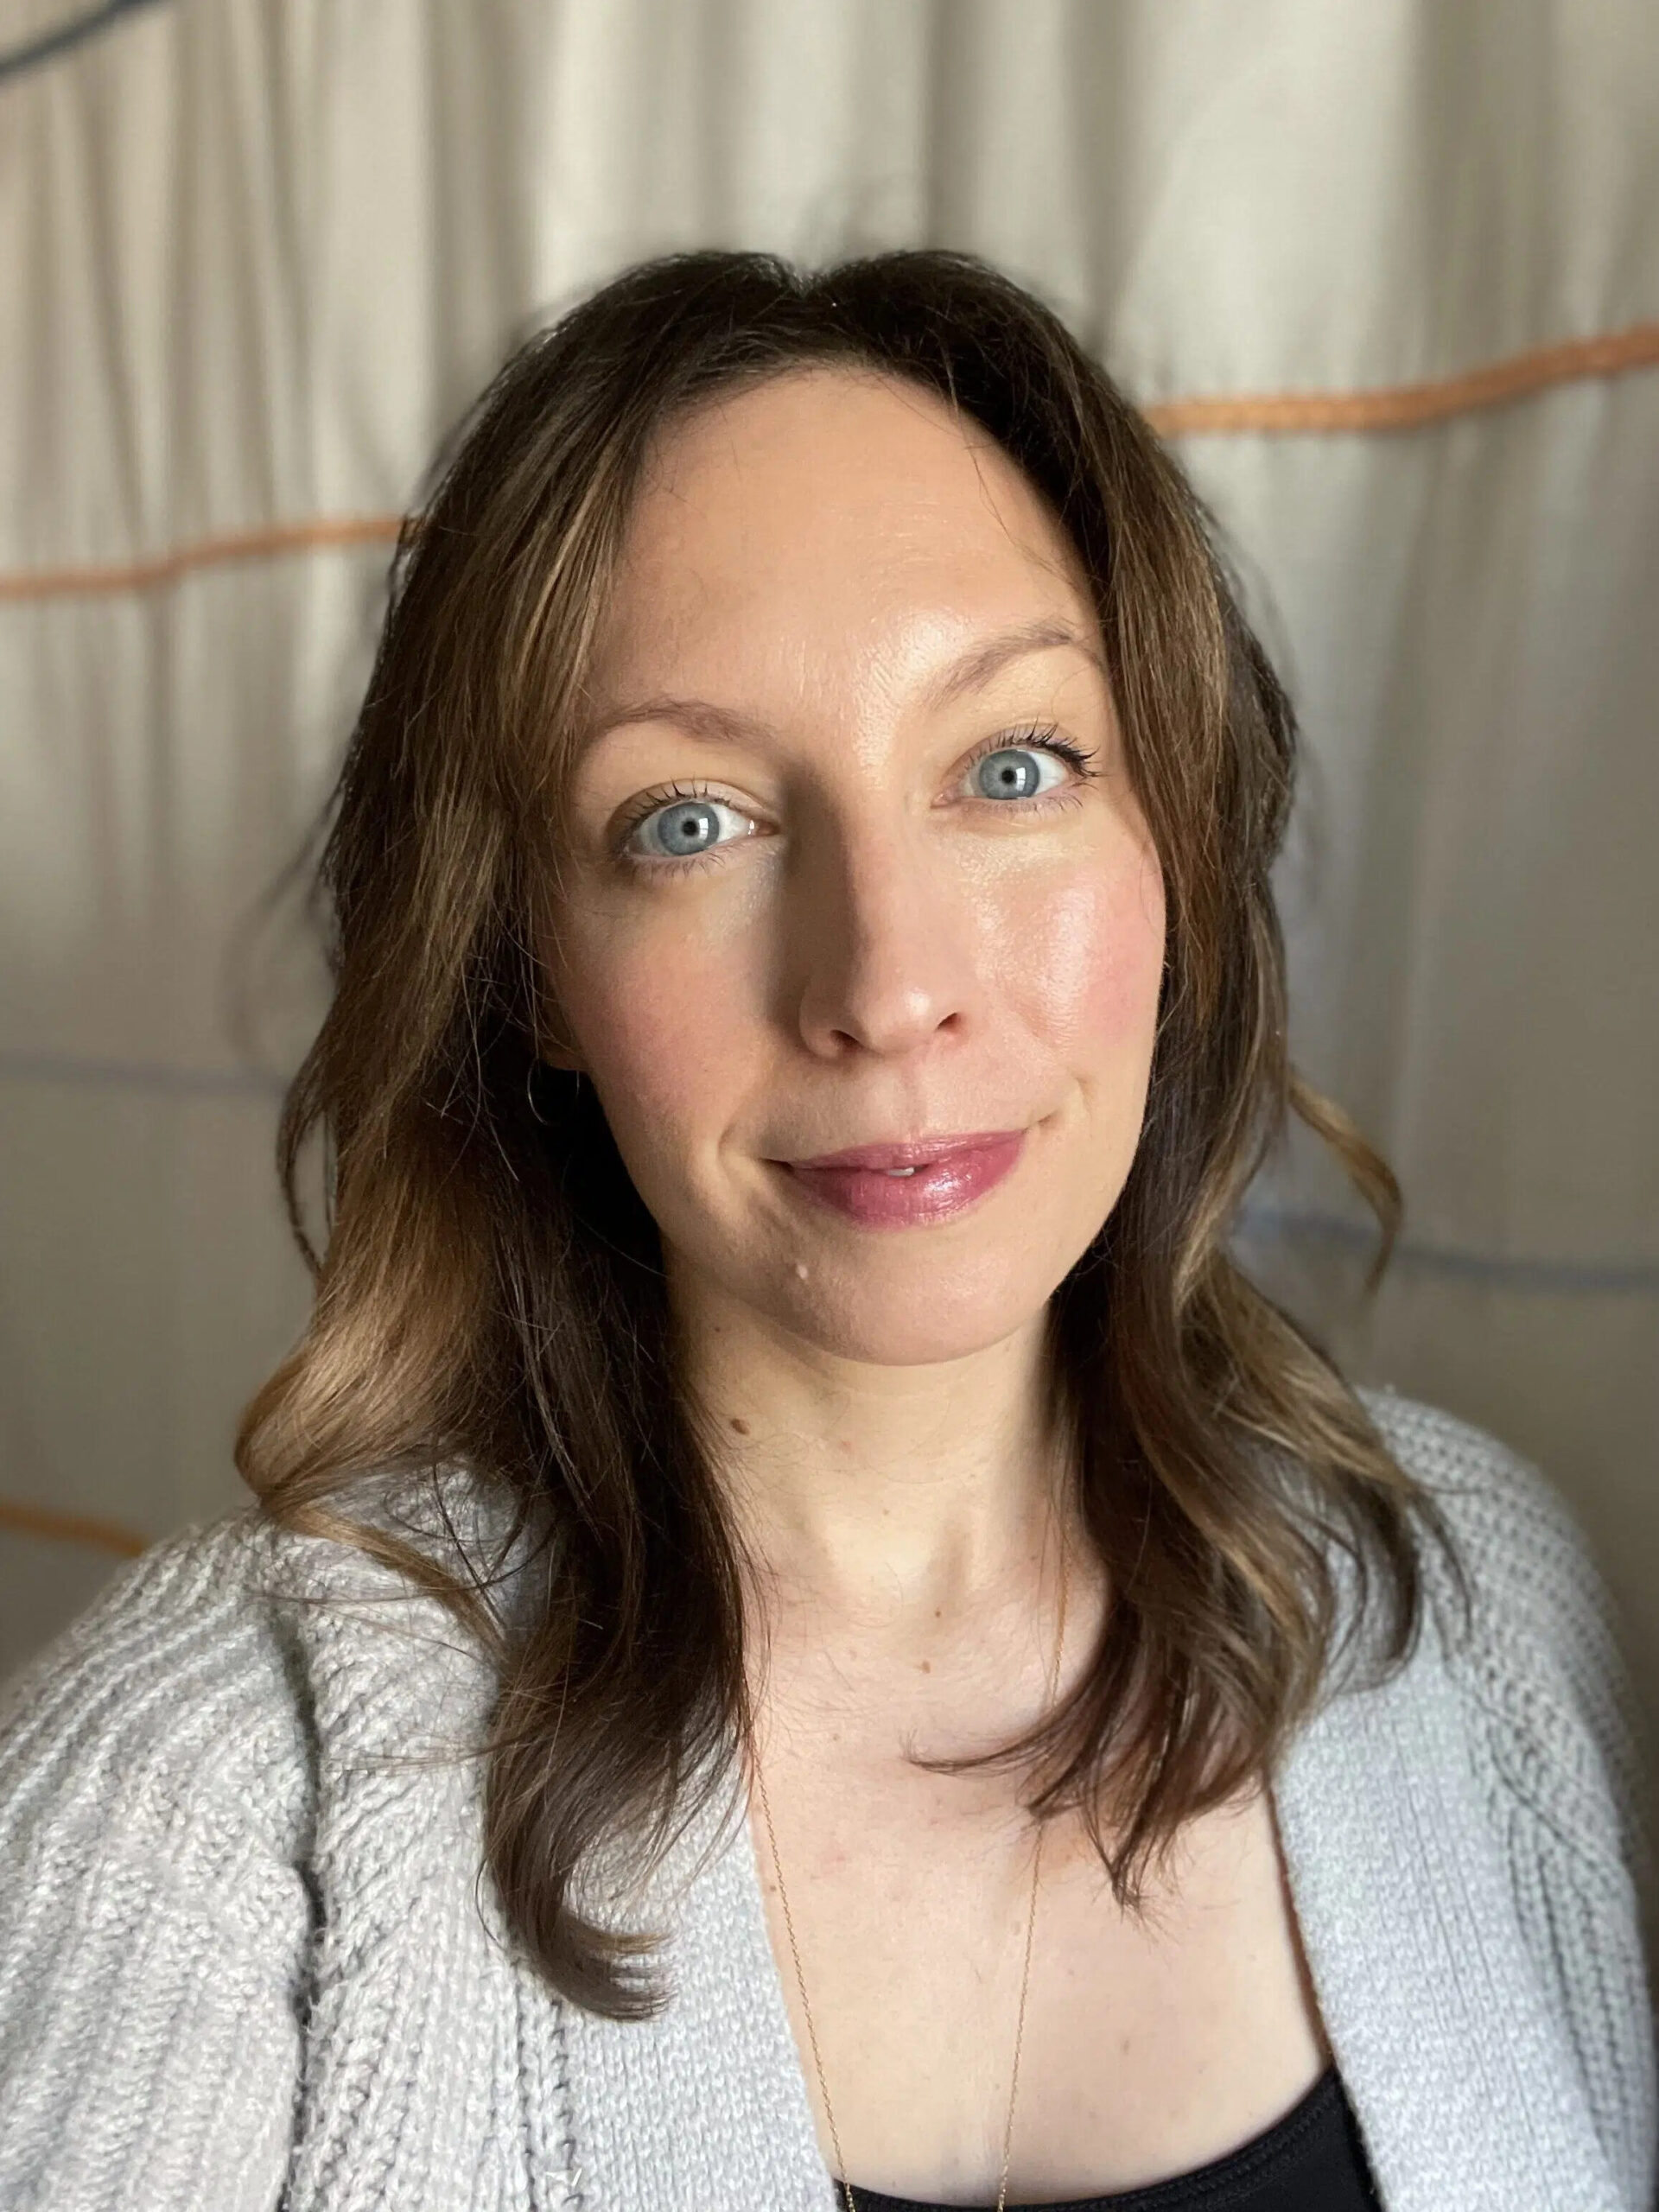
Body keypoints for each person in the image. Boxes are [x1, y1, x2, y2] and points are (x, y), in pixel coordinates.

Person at [0, 249, 1651, 2212]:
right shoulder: (199, 1803)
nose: (886, 981)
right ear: (525, 964)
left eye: (1012, 767)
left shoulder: (1474, 1600)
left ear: (1178, 850)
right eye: (688, 819)